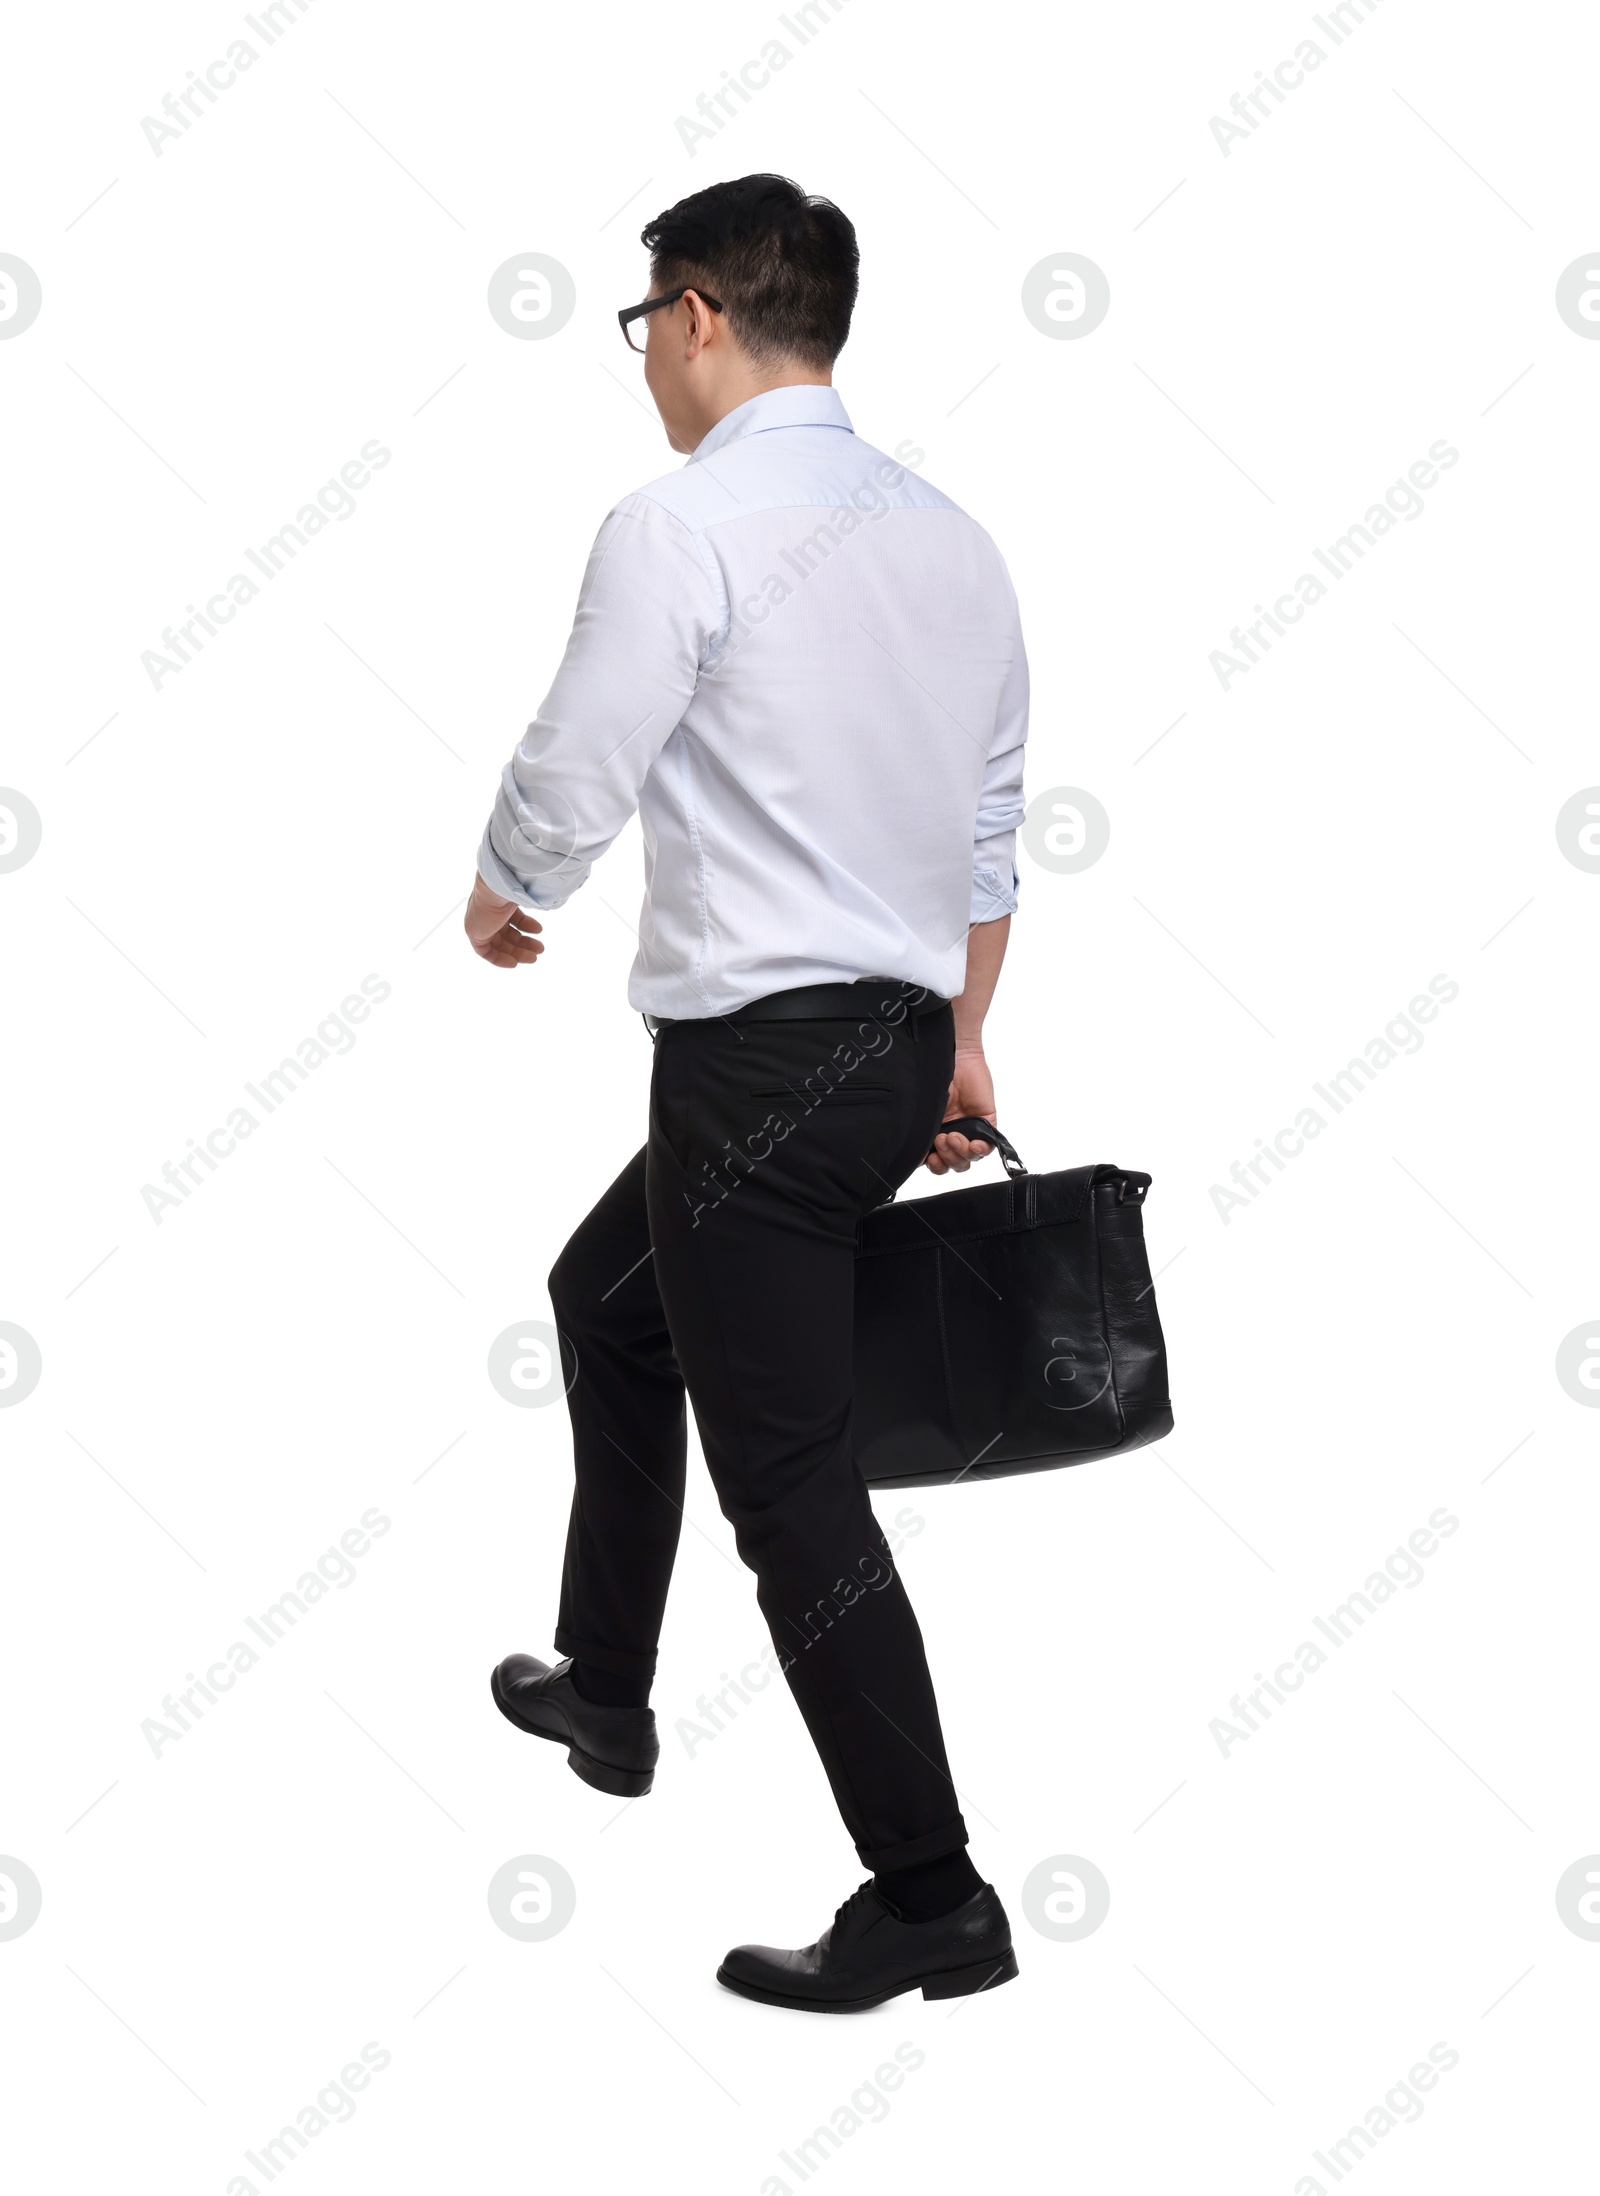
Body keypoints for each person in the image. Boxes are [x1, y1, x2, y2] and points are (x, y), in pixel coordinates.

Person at [465, 173, 1029, 2012]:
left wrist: (513, 879)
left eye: (645, 326)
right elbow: (991, 841)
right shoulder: (956, 542)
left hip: (755, 1072)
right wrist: (955, 1044)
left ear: (698, 312)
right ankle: (607, 1687)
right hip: (882, 1051)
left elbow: (590, 740)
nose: (644, 362)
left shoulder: (679, 525)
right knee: (604, 1303)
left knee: (789, 1489)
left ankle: (931, 1893)